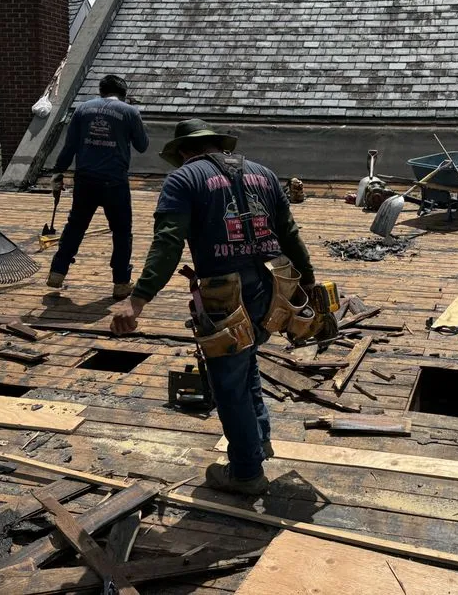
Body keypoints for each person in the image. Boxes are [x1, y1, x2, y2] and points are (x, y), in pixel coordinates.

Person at [111, 118, 317, 495]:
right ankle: (257, 444)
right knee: (246, 361)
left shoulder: (183, 180)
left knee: (228, 382)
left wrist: (137, 299)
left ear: (184, 152)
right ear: (217, 145)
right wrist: (308, 278)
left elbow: (168, 243)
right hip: (273, 286)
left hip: (225, 294)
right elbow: (288, 232)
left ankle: (245, 473)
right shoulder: (264, 174)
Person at [47, 75, 149, 299]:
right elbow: (142, 146)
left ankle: (57, 271)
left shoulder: (83, 110)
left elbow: (70, 145)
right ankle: (121, 283)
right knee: (122, 232)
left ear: (101, 91)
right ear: (122, 93)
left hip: (85, 180)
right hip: (115, 182)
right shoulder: (129, 112)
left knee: (76, 226)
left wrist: (58, 171)